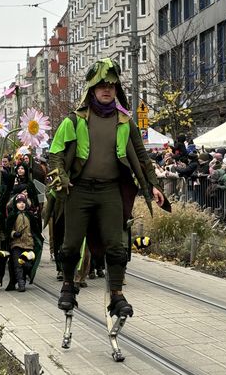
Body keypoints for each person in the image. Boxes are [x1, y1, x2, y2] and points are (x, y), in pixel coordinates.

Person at [48, 58, 166, 319]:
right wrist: (62, 179)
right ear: (92, 89)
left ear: (117, 90)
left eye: (111, 86)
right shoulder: (74, 120)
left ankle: (116, 294)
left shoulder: (125, 122)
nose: (107, 89)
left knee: (117, 246)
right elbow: (55, 154)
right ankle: (68, 286)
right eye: (101, 85)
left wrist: (154, 186)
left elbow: (142, 156)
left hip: (110, 190)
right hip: (78, 190)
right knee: (70, 246)